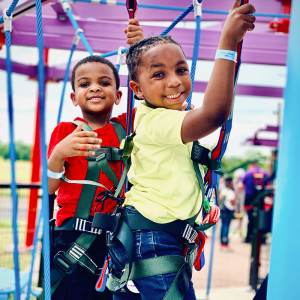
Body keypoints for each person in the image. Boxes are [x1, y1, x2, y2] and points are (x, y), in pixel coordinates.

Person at [107, 1, 256, 299]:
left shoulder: (166, 114)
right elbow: (214, 114)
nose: (175, 81)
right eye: (160, 75)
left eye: (181, 69)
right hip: (152, 238)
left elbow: (165, 90)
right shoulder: (155, 123)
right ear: (137, 90)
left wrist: (145, 49)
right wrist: (228, 42)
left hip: (158, 236)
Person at [47, 18, 144, 300]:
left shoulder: (127, 124)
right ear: (74, 97)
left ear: (119, 95)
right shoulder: (65, 132)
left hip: (114, 238)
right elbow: (50, 188)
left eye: (104, 82)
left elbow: (150, 95)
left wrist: (138, 51)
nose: (95, 88)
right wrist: (59, 154)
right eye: (84, 83)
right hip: (70, 238)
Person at [242, 159, 268, 243]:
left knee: (250, 219)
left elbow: (242, 185)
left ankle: (249, 238)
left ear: (251, 165)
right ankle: (261, 238)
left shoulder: (248, 173)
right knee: (261, 219)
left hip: (249, 199)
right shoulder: (265, 173)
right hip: (261, 198)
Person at [219, 176, 236, 250]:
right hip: (228, 211)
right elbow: (232, 203)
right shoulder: (231, 192)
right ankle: (225, 242)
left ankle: (222, 242)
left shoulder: (224, 190)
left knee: (223, 226)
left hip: (222, 210)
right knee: (226, 226)